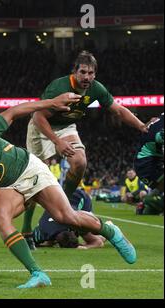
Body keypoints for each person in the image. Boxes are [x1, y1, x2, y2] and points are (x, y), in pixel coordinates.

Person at [0, 92, 136, 289]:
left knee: (66, 217)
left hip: (29, 169)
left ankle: (110, 232)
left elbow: (13, 112)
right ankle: (38, 274)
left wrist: (51, 103)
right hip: (4, 187)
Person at [22, 50, 148, 246]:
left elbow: (119, 110)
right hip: (41, 128)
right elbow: (38, 116)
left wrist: (141, 126)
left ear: (95, 74)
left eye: (90, 73)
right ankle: (27, 229)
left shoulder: (96, 89)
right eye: (83, 72)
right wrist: (57, 141)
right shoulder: (59, 87)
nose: (86, 77)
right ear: (75, 72)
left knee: (80, 161)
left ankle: (64, 201)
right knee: (35, 178)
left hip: (66, 127)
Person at [33, 188, 106, 249]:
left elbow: (98, 242)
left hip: (82, 198)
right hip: (64, 199)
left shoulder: (77, 224)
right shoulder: (42, 231)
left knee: (90, 231)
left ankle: (108, 228)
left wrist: (85, 247)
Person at [134, 113, 164, 215]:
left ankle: (146, 207)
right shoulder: (161, 132)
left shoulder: (159, 119)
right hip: (147, 165)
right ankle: (146, 204)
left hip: (151, 161)